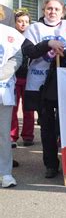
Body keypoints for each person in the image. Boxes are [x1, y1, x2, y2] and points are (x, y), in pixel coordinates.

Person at [22, 0, 66, 178]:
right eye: (49, 8)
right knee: (47, 126)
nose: (52, 12)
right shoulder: (34, 29)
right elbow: (29, 51)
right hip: (41, 84)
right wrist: (47, 44)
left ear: (62, 11)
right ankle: (50, 164)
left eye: (56, 9)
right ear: (43, 10)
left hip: (64, 83)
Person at [0, 23, 24, 188]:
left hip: (3, 91)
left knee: (3, 135)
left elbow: (17, 58)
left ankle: (5, 173)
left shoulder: (10, 33)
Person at [10, 11, 35, 148]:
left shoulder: (32, 37)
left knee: (29, 109)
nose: (23, 24)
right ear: (15, 22)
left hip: (30, 77)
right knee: (13, 109)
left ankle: (28, 136)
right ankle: (12, 136)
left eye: (26, 21)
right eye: (20, 21)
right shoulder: (11, 37)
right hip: (14, 78)